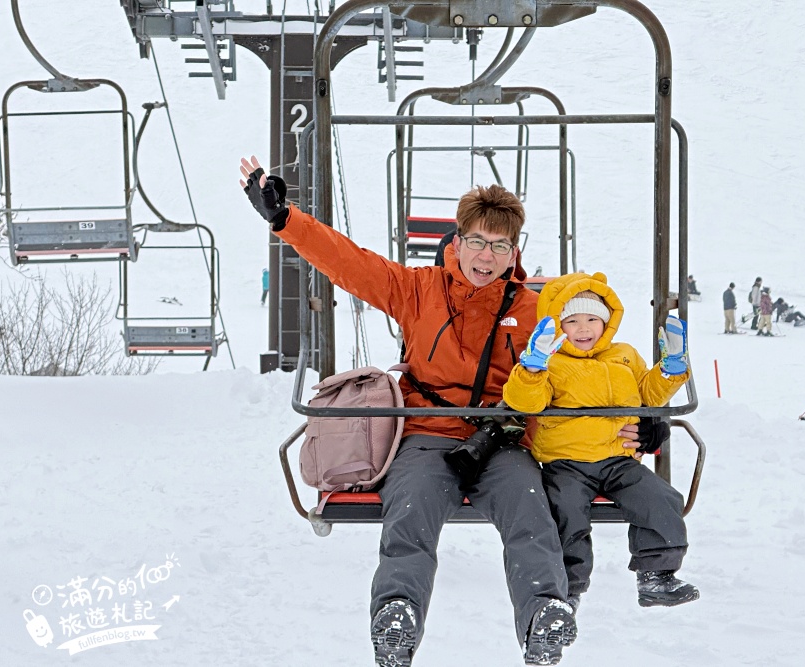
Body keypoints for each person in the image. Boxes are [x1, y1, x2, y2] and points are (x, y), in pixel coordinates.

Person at [239, 156, 625, 666]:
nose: (487, 257)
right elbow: (350, 263)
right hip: (426, 433)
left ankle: (543, 614)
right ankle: (397, 613)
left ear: (515, 252)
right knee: (411, 508)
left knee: (529, 509)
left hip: (502, 437)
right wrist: (284, 218)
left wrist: (640, 422)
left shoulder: (534, 309)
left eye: (501, 246)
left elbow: (591, 360)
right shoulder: (419, 290)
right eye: (479, 243)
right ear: (457, 242)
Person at [502, 272, 697, 614]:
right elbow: (527, 403)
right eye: (572, 321)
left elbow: (647, 395)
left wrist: (670, 369)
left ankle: (656, 573)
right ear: (558, 325)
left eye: (592, 319)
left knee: (661, 498)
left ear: (607, 322)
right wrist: (532, 369)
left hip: (618, 458)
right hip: (566, 462)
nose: (583, 329)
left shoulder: (624, 356)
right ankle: (569, 586)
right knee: (566, 513)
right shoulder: (553, 362)